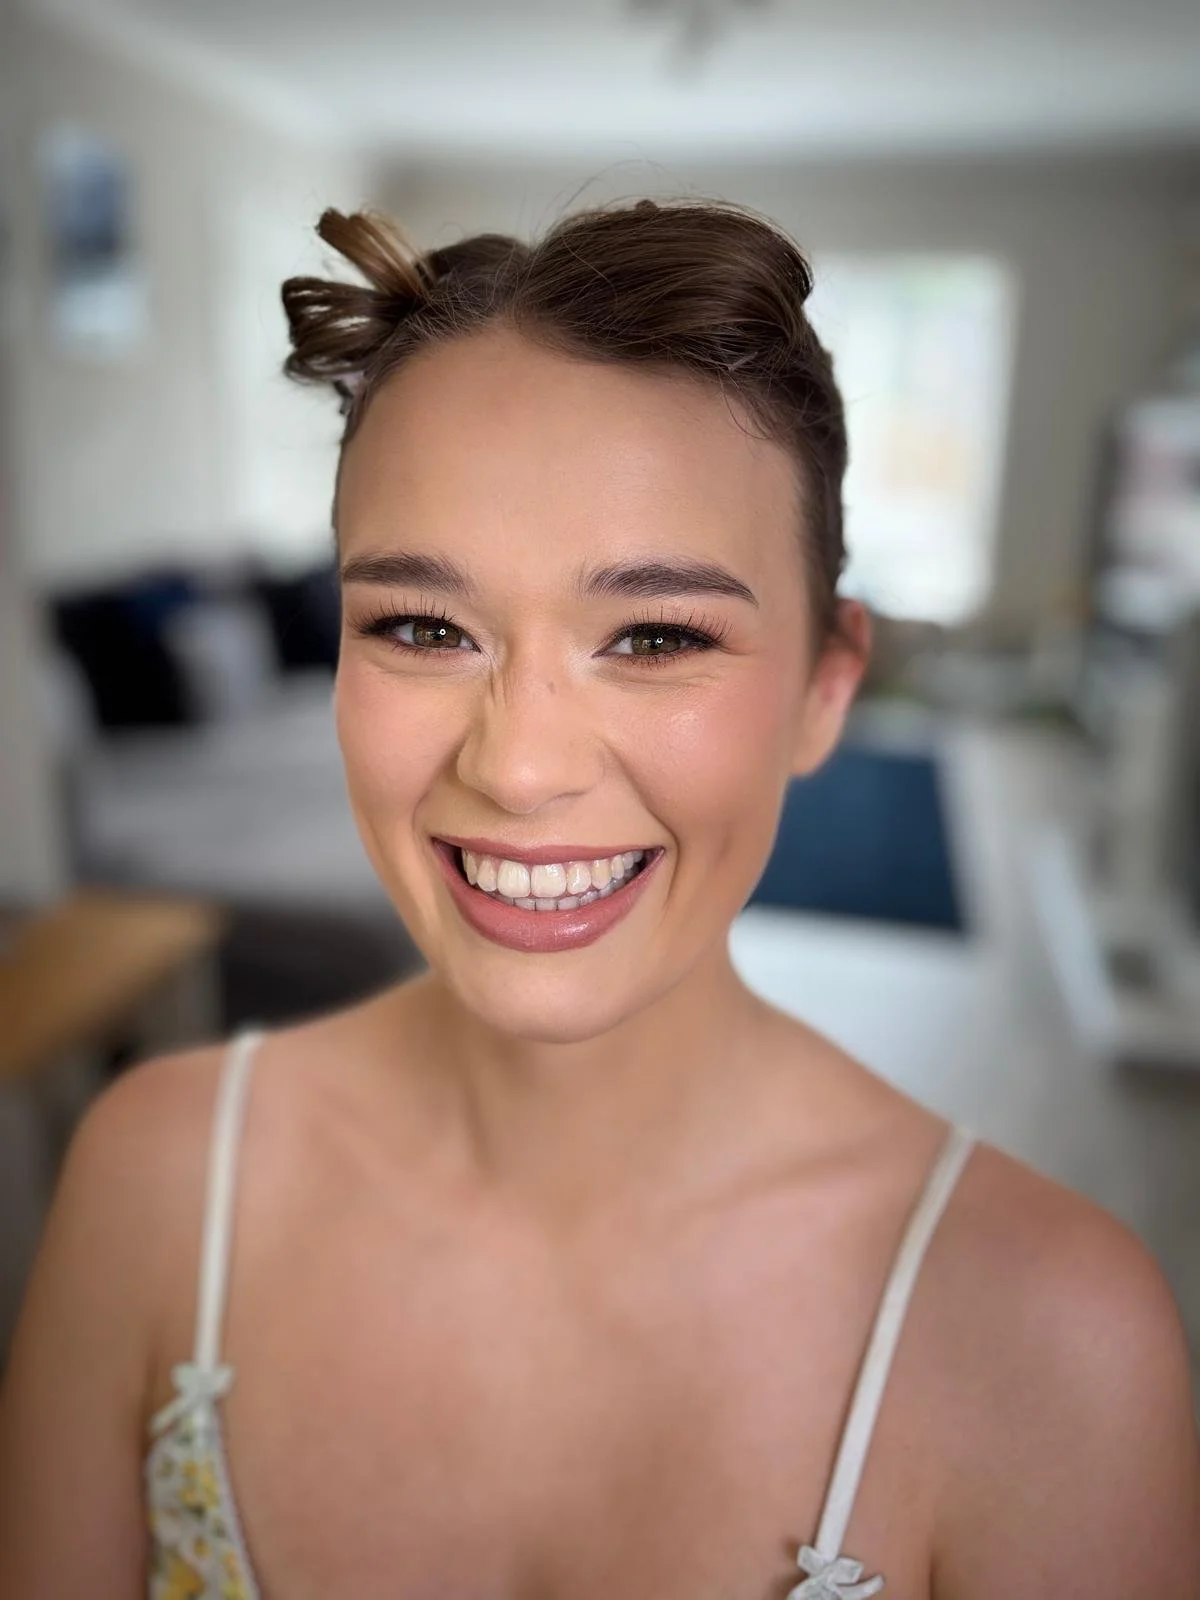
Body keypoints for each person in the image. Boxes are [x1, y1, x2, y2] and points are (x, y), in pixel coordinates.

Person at [1, 199, 1197, 1600]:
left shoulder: (1059, 1344)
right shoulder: (154, 1181)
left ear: (826, 685)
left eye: (655, 636)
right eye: (422, 626)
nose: (516, 767)